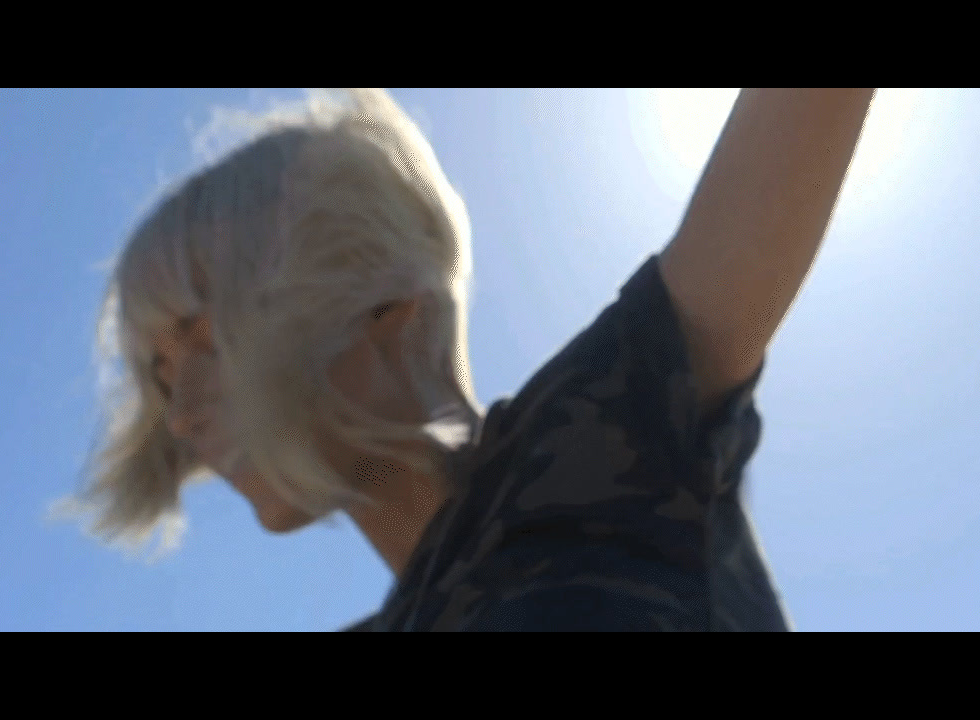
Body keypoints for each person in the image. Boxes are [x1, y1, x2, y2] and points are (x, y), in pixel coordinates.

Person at [53, 88, 875, 631]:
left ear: (379, 301)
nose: (182, 410)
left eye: (203, 337)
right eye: (161, 374)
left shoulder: (610, 425)